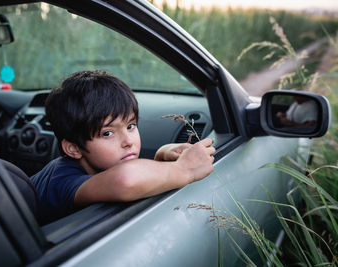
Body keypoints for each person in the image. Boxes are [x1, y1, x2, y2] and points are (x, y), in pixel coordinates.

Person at [31, 70, 215, 224]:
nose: (128, 141)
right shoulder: (62, 181)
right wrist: (184, 169)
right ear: (74, 149)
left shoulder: (97, 165)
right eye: (107, 133)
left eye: (131, 126)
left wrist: (160, 157)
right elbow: (125, 180)